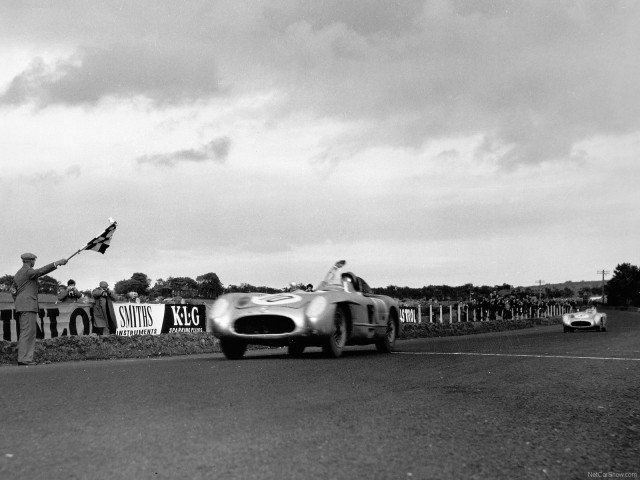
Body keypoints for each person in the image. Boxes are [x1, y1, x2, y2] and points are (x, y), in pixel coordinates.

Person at [13, 252, 68, 366]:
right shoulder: (27, 271)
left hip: (23, 305)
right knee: (28, 332)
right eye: (34, 260)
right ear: (30, 261)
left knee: (27, 332)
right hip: (28, 305)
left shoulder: (18, 273)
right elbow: (41, 271)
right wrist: (56, 263)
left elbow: (14, 292)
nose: (34, 262)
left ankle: (25, 358)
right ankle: (24, 359)